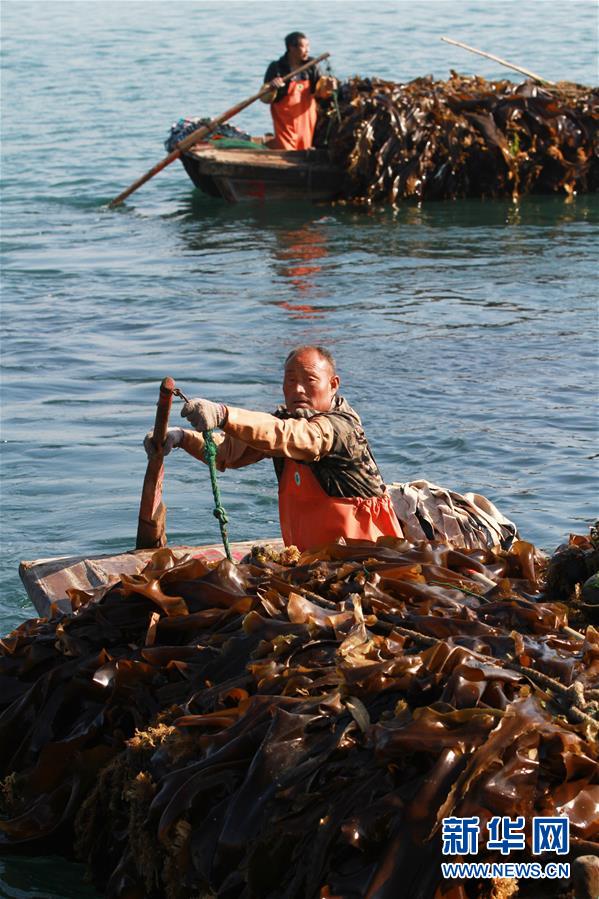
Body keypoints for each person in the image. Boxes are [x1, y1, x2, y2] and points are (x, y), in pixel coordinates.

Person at [144, 346, 403, 552]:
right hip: (312, 558)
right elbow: (228, 452)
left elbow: (293, 436)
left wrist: (224, 414)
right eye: (290, 380)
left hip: (368, 557)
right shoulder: (285, 419)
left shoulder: (340, 427)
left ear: (333, 384)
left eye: (310, 380)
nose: (298, 389)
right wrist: (181, 438)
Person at [260, 32, 337, 150]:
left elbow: (320, 92)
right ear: (291, 48)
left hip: (305, 116)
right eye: (304, 47)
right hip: (284, 117)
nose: (308, 50)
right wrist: (272, 87)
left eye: (308, 46)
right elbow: (264, 98)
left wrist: (329, 86)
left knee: (304, 145)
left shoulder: (312, 66)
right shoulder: (276, 67)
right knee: (285, 147)